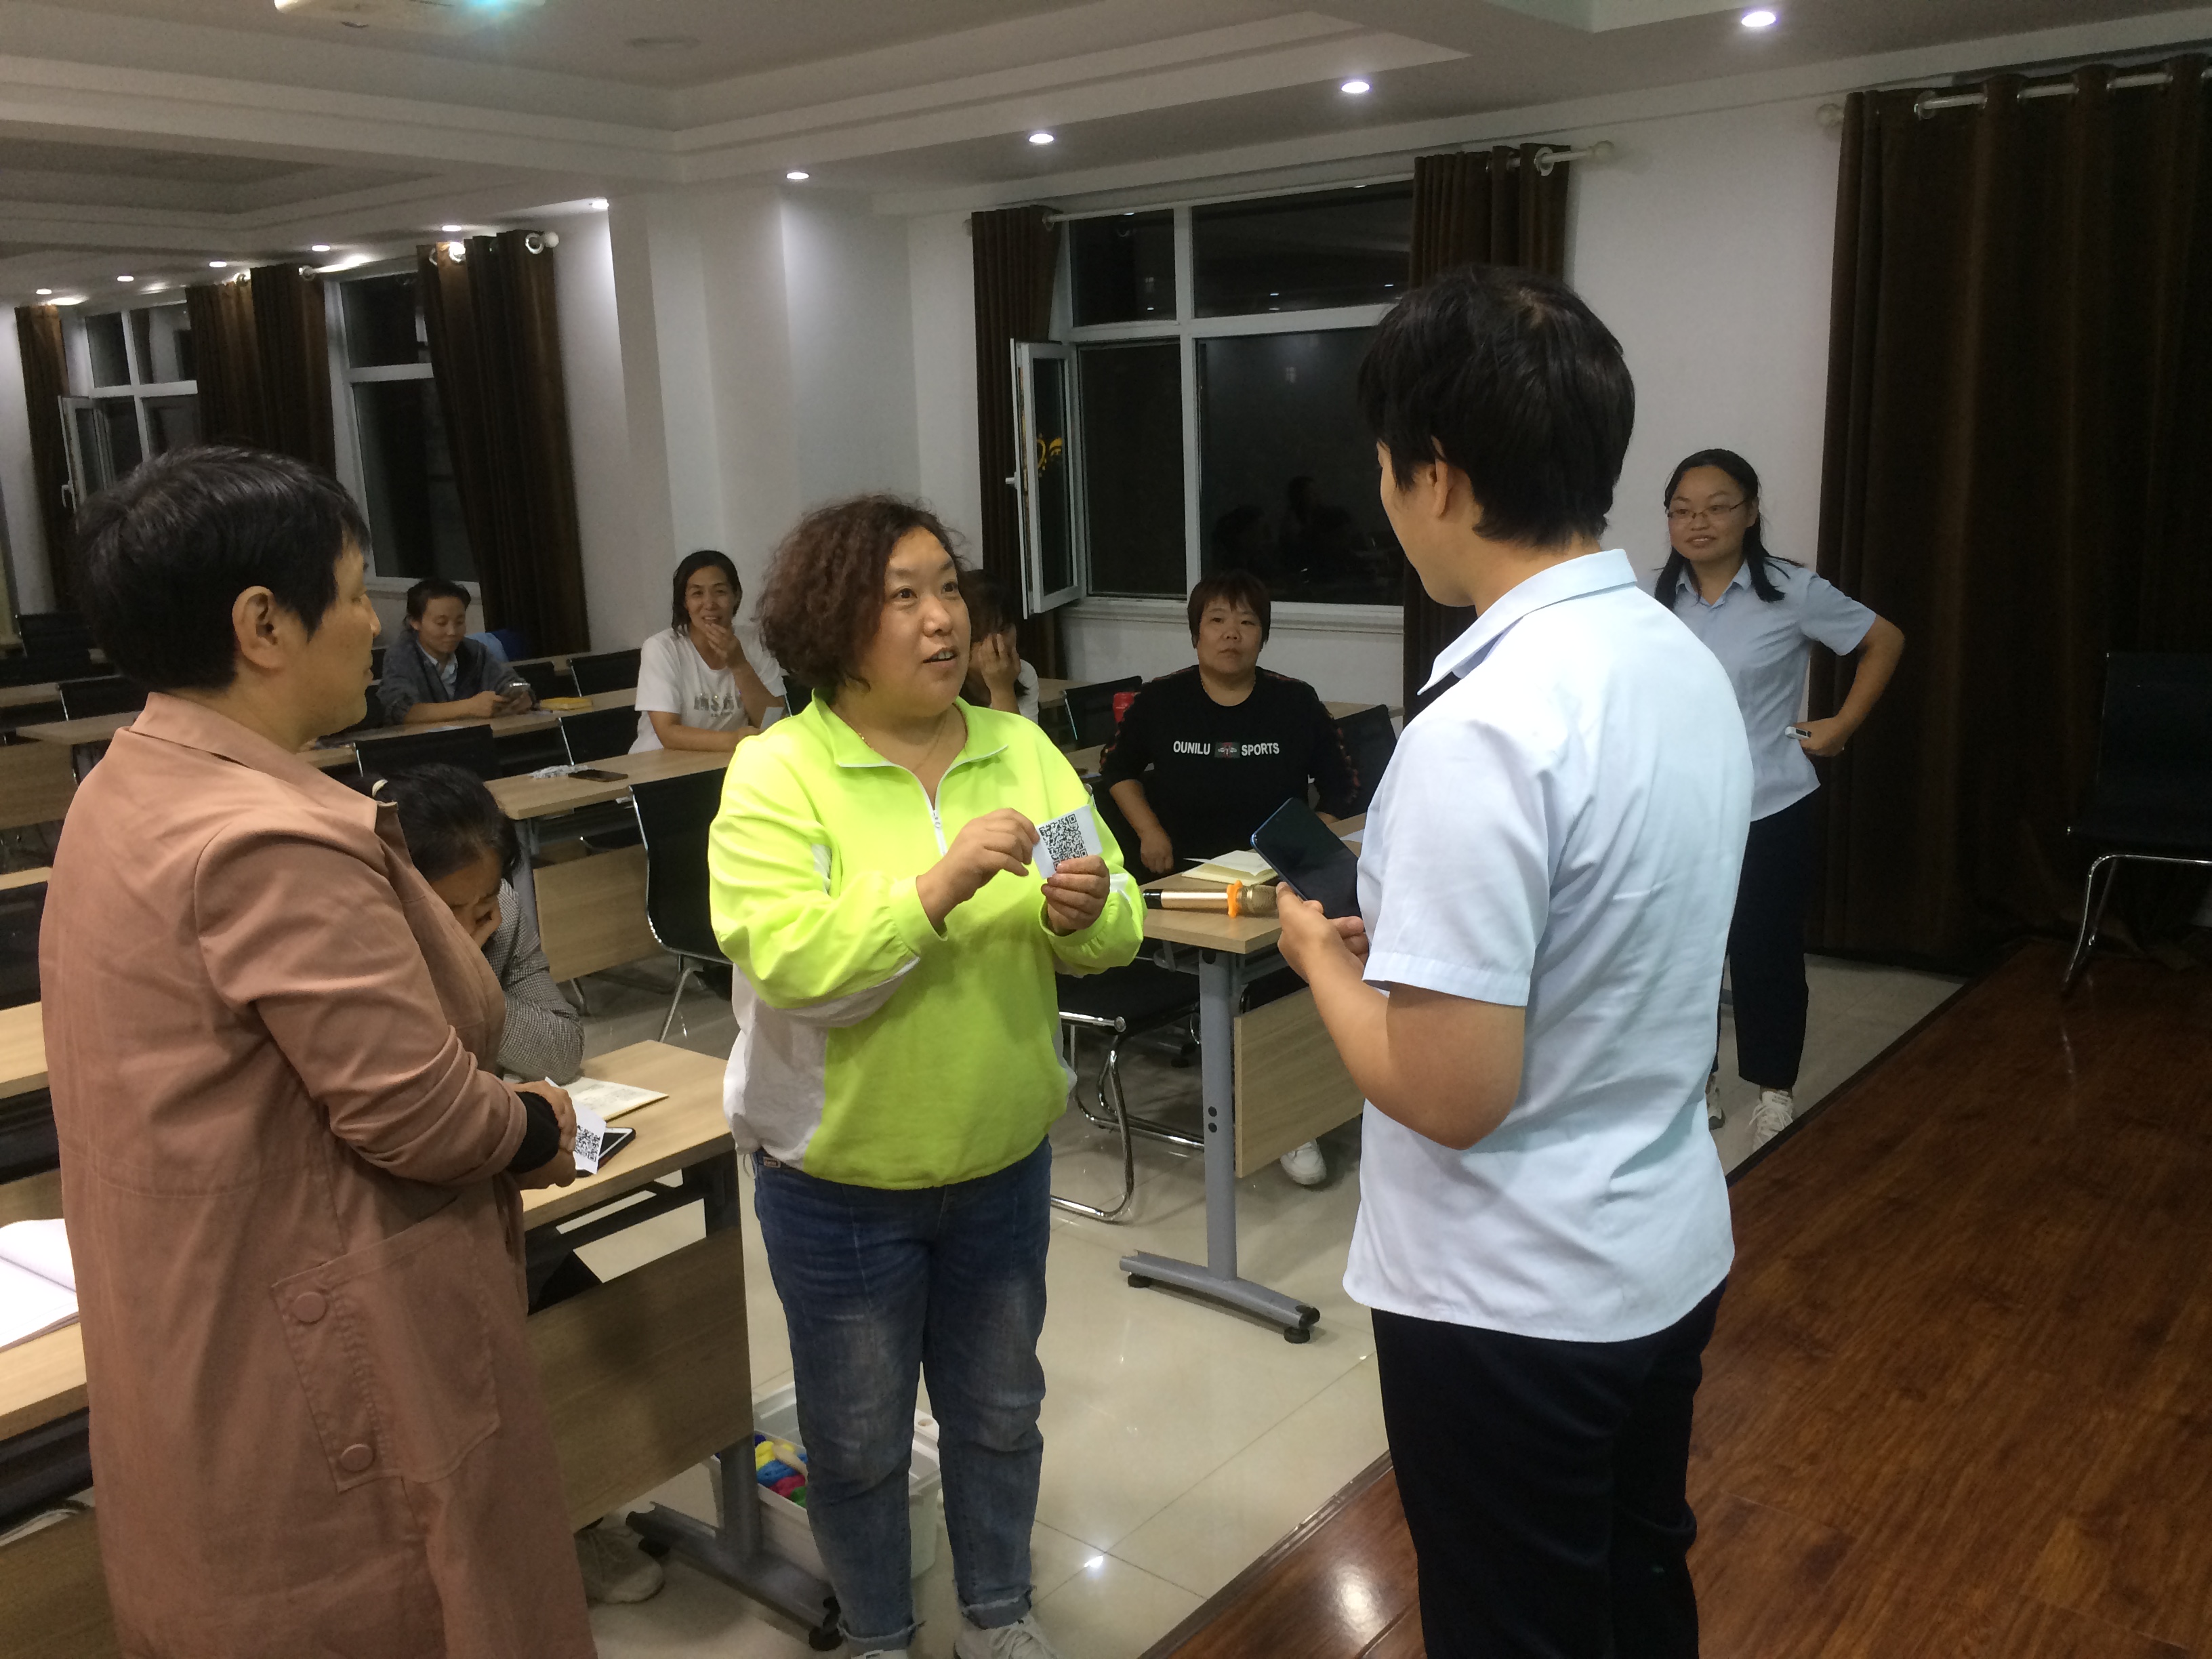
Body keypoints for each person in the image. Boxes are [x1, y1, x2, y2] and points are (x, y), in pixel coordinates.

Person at [1273, 268, 1753, 1659]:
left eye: (1382, 465)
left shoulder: (1481, 726)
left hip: (1512, 1294)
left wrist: (1318, 960)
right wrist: (1425, 959)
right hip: (1658, 1241)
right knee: (1635, 1584)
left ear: (1435, 473)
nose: (1381, 496)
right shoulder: (1673, 659)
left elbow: (1451, 1094)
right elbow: (1613, 926)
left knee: (1515, 1627)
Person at [43, 445, 592, 1658]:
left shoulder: (128, 784)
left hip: (200, 1314)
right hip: (321, 1340)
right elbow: (420, 1115)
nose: (371, 624)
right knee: (411, 1600)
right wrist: (536, 1122)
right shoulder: (258, 839)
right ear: (262, 625)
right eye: (351, 593)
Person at [710, 493, 1142, 1659]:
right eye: (901, 596)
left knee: (999, 1415)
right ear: (834, 624)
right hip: (840, 1183)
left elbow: (1112, 905)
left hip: (1000, 1165)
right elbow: (791, 958)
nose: (941, 618)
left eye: (946, 587)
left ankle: (996, 1616)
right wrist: (937, 886)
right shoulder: (779, 772)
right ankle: (880, 1632)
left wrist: (1087, 907)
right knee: (856, 1443)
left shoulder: (1021, 752)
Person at [377, 760, 668, 1605]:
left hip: (492, 1178)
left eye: (488, 906)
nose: (483, 925)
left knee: (586, 1329)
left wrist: (463, 973)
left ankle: (577, 1518)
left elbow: (560, 1048)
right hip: (402, 1212)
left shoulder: (495, 921)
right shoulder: (357, 956)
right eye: (455, 913)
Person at [1656, 449, 1905, 1147]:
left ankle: (1773, 1090)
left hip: (1769, 803)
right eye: (1682, 510)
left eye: (1717, 507)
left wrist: (1843, 724)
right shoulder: (1649, 602)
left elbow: (1884, 640)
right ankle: (1695, 1081)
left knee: (1765, 952)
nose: (1699, 522)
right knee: (1681, 956)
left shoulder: (1792, 591)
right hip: (1676, 813)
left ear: (1751, 512)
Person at [1097, 569, 1360, 1187]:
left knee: (1300, 965)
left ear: (1263, 636)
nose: (1231, 633)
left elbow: (1345, 787)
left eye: (1247, 622)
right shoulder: (1161, 700)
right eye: (1217, 620)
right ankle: (1271, 1106)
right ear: (1196, 634)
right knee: (1241, 975)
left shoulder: (1294, 702)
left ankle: (1292, 1112)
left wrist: (1300, 845)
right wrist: (1148, 831)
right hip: (1185, 883)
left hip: (1274, 880)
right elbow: (1117, 771)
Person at [632, 548, 781, 753]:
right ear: (685, 602)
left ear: (736, 596)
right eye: (697, 594)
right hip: (660, 764)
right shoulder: (661, 648)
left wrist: (739, 665)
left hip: (729, 761)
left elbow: (774, 722)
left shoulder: (755, 642)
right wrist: (735, 740)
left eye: (720, 592)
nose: (709, 604)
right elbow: (668, 733)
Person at [377, 575, 534, 725]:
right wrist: (469, 707)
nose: (452, 632)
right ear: (415, 622)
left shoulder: (474, 651)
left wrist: (521, 697)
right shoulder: (401, 656)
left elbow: (507, 681)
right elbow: (400, 710)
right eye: (441, 623)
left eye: (459, 622)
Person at [958, 567, 1039, 720]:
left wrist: (1003, 689)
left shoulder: (1024, 674)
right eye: (983, 635)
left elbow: (1022, 736)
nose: (998, 643)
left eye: (1004, 629)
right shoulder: (947, 687)